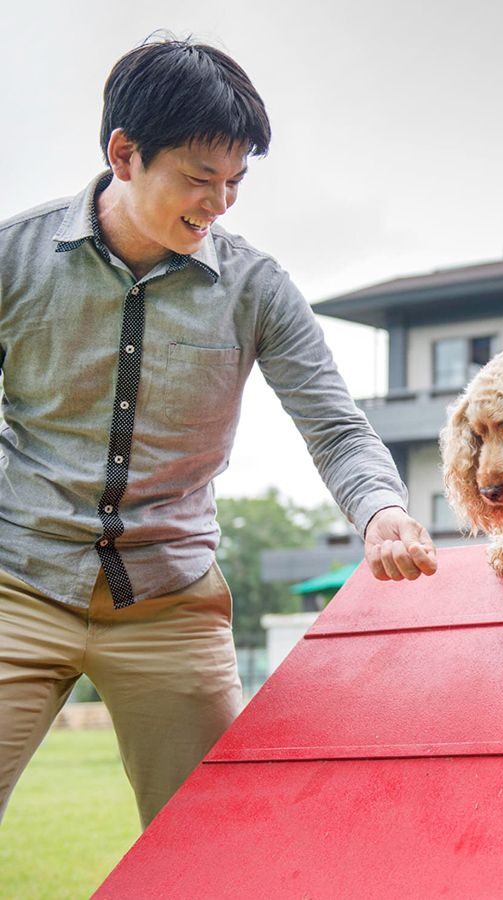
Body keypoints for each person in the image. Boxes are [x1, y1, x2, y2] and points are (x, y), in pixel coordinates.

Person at [0, 36, 437, 829]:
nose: (219, 203)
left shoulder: (257, 288)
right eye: (199, 179)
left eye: (235, 182)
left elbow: (336, 426)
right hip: (17, 587)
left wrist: (381, 510)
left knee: (210, 850)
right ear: (124, 154)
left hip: (170, 603)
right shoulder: (14, 259)